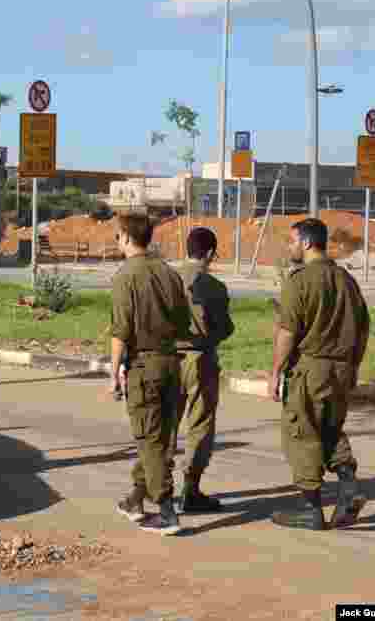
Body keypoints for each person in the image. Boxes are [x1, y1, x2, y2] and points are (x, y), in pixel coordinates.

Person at [269, 218, 370, 530]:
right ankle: (349, 485)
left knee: (301, 433)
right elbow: (363, 328)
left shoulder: (299, 281)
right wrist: (352, 365)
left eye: (292, 241)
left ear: (307, 243)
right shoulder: (346, 280)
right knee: (330, 429)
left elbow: (287, 332)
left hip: (310, 368)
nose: (290, 247)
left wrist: (275, 372)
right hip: (342, 368)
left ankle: (311, 509)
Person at [111, 213, 193, 535]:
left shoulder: (126, 276)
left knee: (149, 441)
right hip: (172, 362)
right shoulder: (169, 274)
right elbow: (184, 322)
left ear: (128, 238)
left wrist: (113, 372)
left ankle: (166, 509)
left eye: (118, 237)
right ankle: (135, 497)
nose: (117, 242)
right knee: (161, 439)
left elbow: (120, 330)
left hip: (143, 366)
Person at [170, 227, 235, 513]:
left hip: (167, 358)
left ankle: (155, 486)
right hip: (200, 359)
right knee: (199, 425)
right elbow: (224, 329)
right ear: (210, 253)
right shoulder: (214, 287)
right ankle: (190, 489)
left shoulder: (167, 279)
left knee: (165, 424)